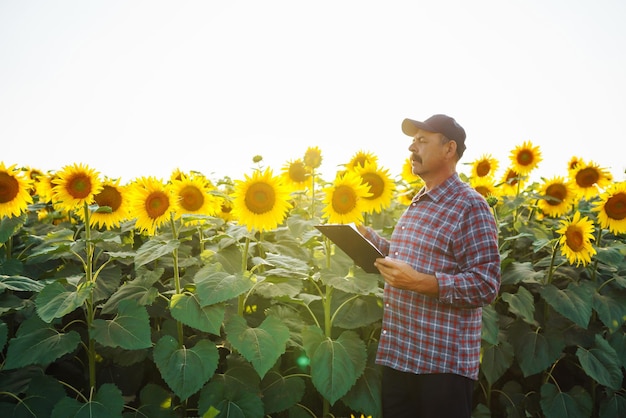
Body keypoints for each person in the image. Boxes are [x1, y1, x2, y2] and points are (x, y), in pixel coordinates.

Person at [359, 114, 501, 418]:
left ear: (449, 149)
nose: (412, 147)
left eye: (422, 141)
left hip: (441, 367)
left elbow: (486, 283)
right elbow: (405, 260)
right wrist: (365, 238)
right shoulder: (419, 201)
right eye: (413, 141)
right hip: (400, 356)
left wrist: (421, 283)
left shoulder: (470, 206)